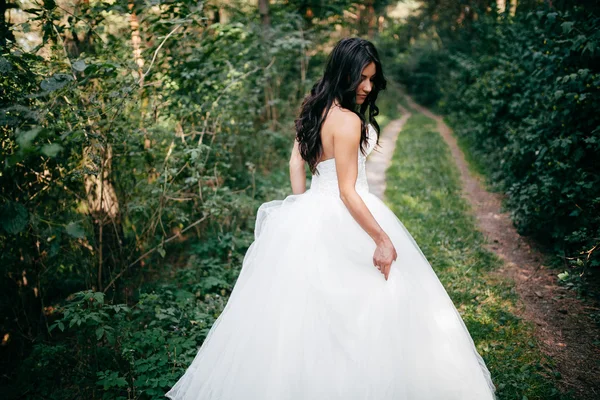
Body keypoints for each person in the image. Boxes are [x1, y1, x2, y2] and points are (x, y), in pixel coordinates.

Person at [165, 37, 497, 400]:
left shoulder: (313, 109)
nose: (368, 87)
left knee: (300, 317)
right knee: (374, 305)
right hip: (347, 211)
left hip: (310, 209)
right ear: (344, 72)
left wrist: (300, 204)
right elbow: (347, 191)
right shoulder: (349, 121)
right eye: (362, 78)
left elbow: (296, 162)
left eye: (373, 79)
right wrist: (382, 239)